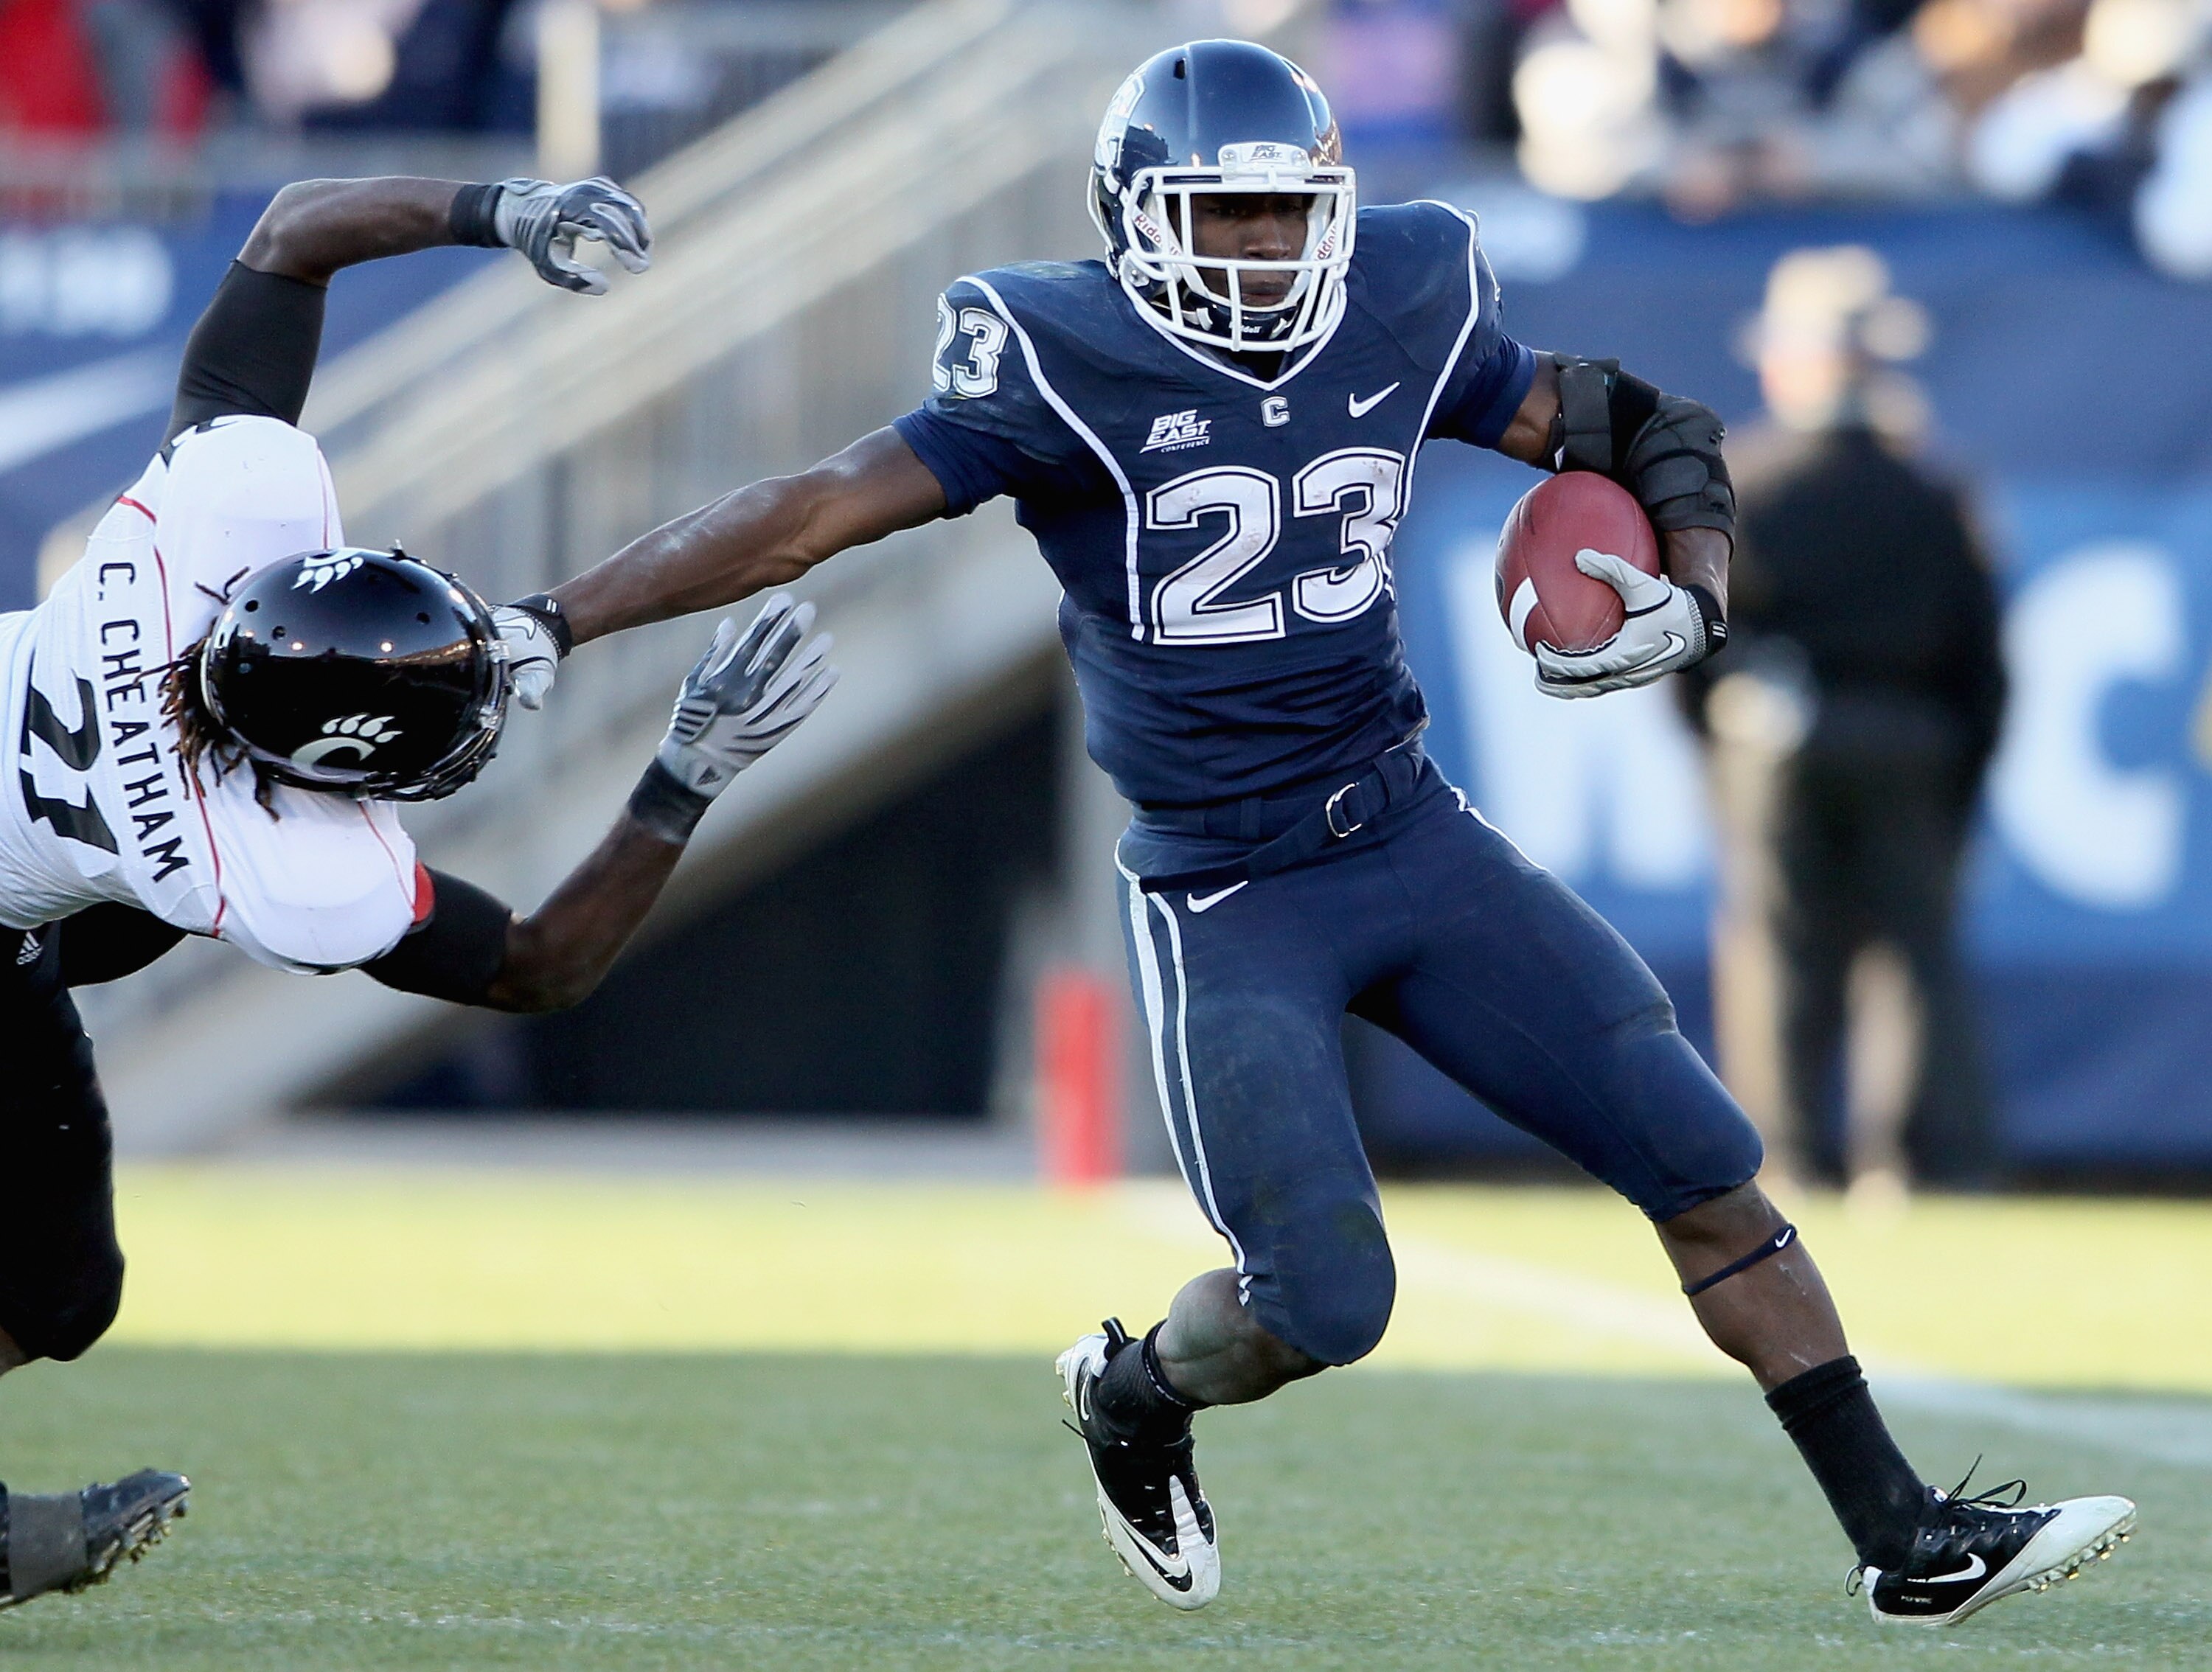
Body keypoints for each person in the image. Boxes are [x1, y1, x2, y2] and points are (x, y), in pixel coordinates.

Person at [521, 41, 2129, 1626]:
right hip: (1229, 889)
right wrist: (548, 622)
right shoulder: (1049, 353)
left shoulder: (1405, 298)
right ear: (1135, 218)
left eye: (1289, 213)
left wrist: (1690, 602)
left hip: (1411, 834)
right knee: (1326, 1306)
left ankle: (1905, 1540)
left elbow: (1650, 425)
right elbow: (805, 509)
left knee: (1705, 1164)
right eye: (1223, 218)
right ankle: (1136, 1394)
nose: (1264, 248)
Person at [0, 173, 836, 1608]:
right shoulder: (252, 854)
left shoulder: (201, 546)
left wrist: (494, 209)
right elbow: (540, 967)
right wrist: (683, 778)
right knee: (54, 1269)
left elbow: (291, 231)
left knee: (64, 1292)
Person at [1679, 246, 2006, 1194]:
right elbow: (1982, 653)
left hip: (1771, 741)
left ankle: (1785, 1158)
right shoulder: (1933, 488)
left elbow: (1691, 637)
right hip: (1913, 739)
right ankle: (1915, 1163)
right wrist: (1963, 758)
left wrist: (1721, 744)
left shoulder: (1742, 481)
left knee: (1777, 949)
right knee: (1915, 952)